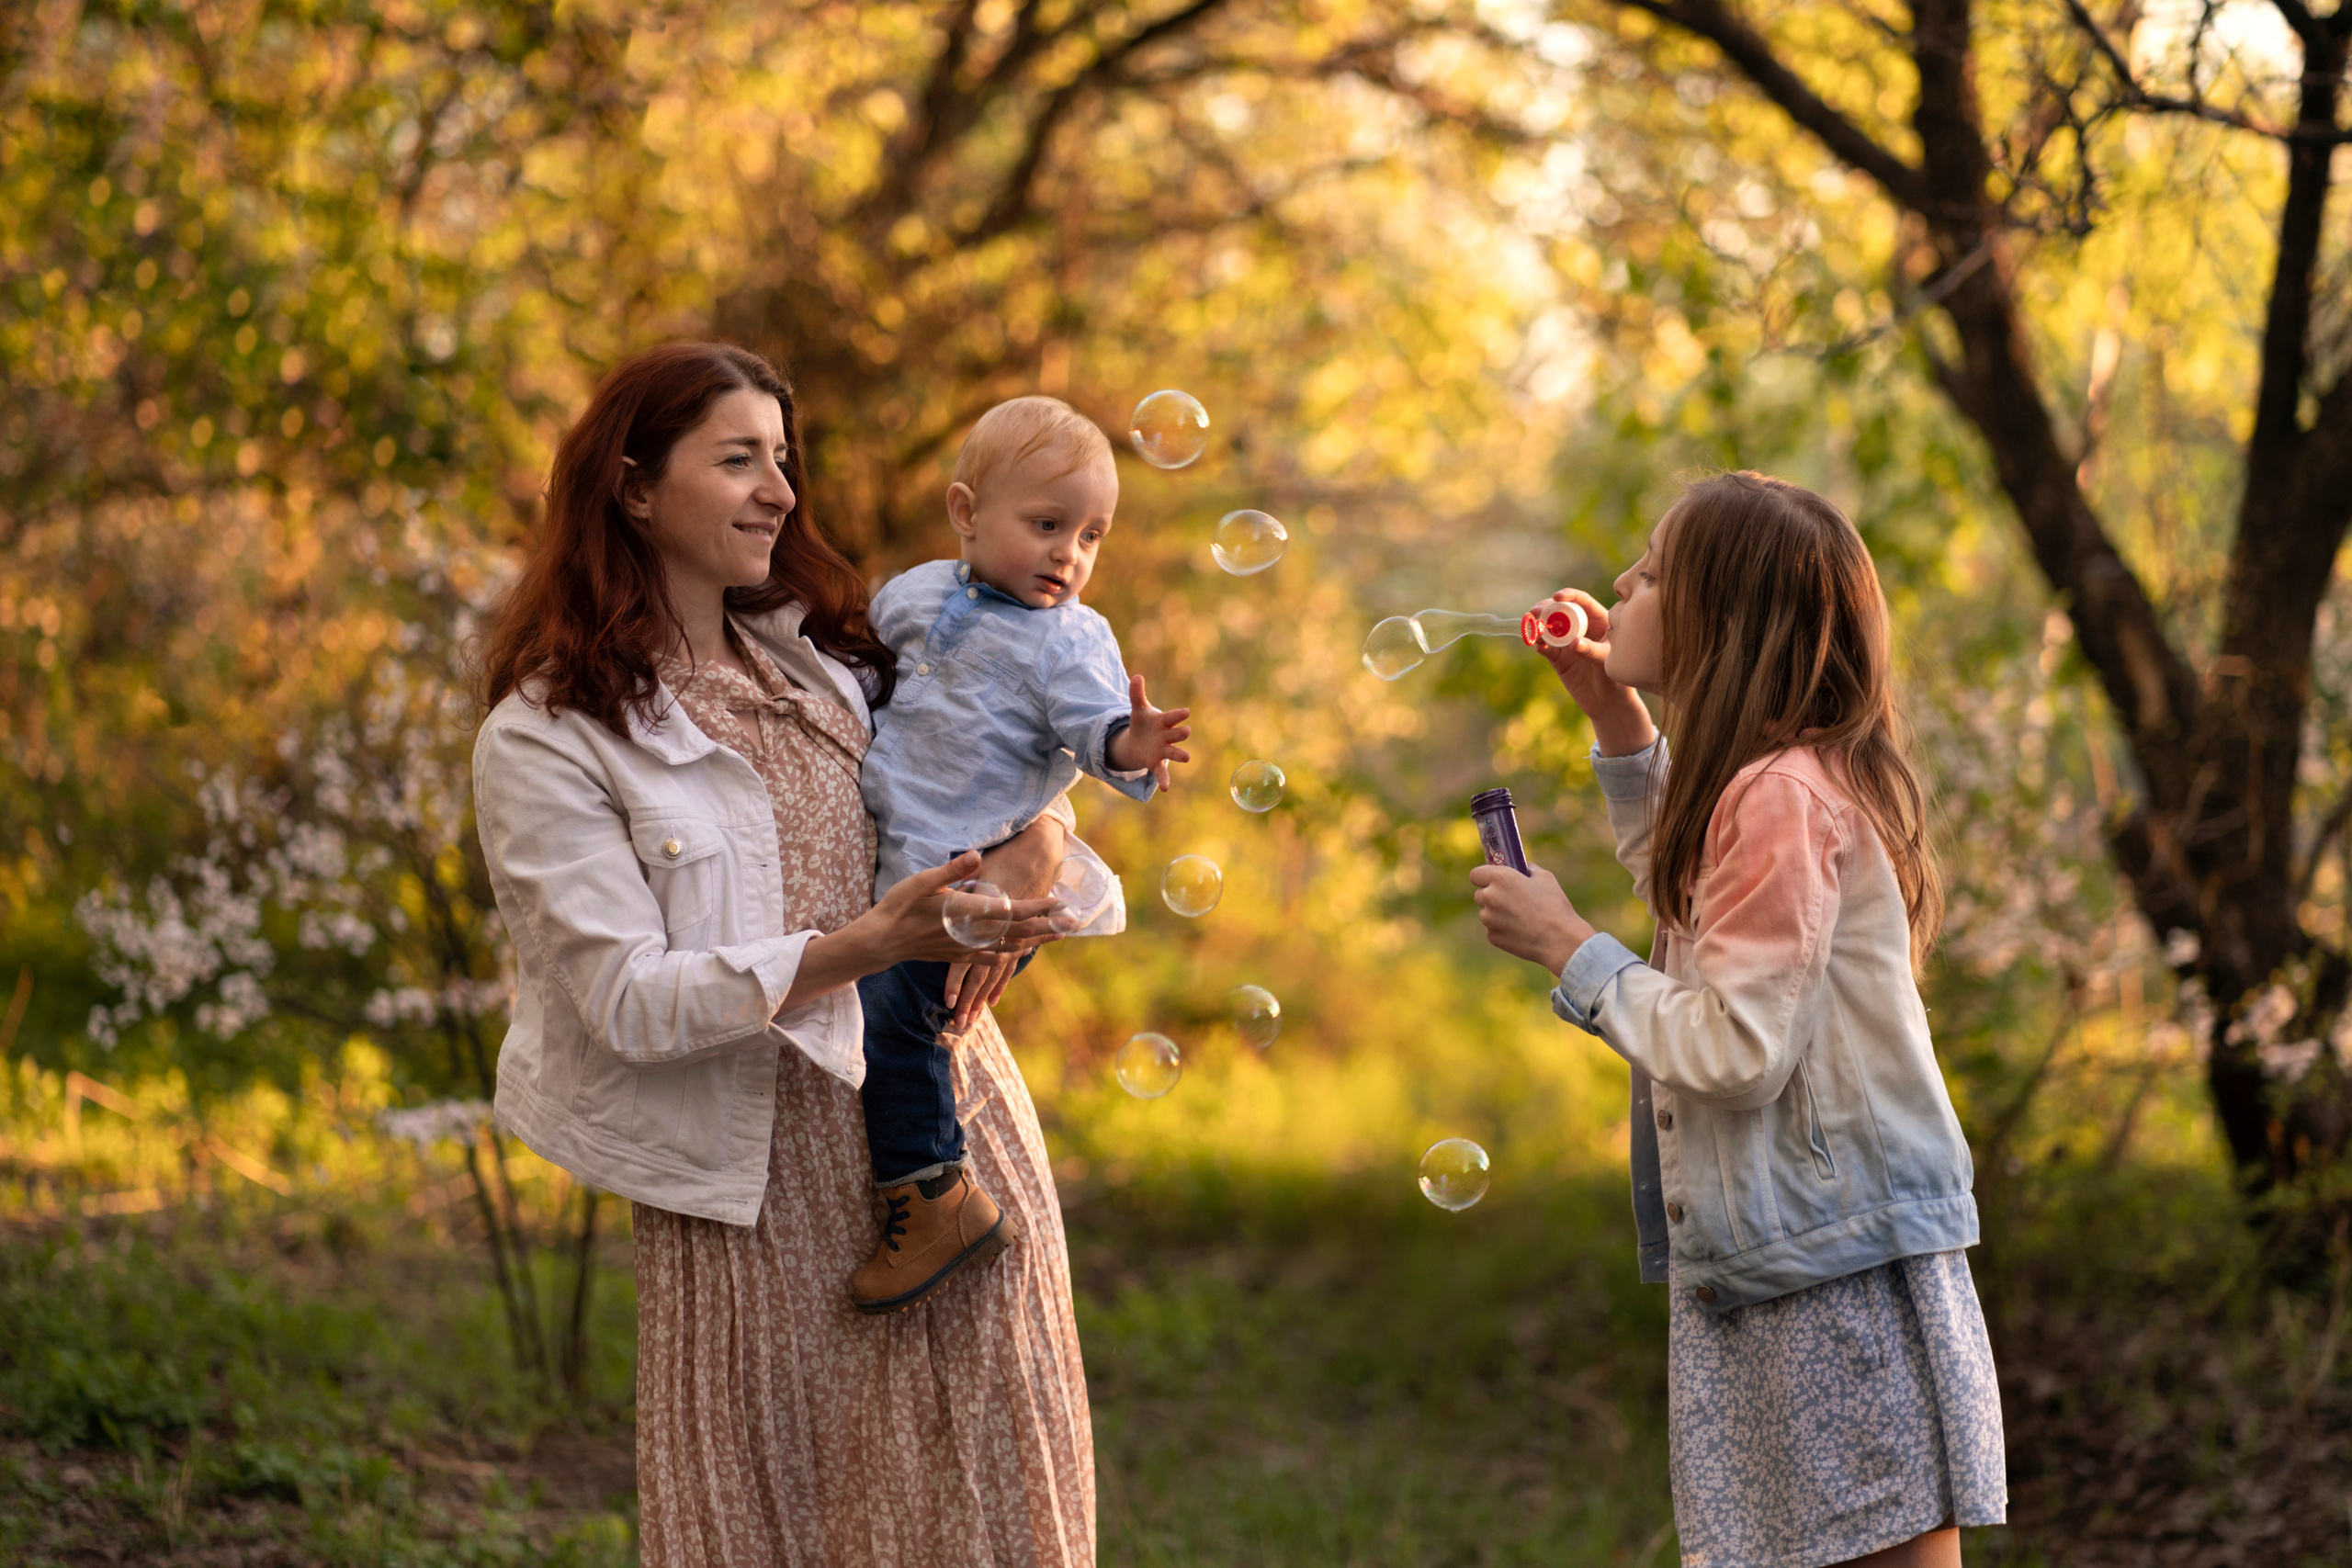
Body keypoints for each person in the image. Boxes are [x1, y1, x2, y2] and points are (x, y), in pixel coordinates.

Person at [472, 341, 1096, 1566]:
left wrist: (1040, 842)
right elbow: (623, 1000)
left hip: (943, 1152)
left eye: (783, 458)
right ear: (636, 488)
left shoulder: (830, 661)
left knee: (988, 1517)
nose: (779, 489)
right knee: (788, 1523)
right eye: (739, 458)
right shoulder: (550, 735)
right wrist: (865, 943)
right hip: (754, 1187)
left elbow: (999, 769)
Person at [1468, 471, 2006, 1568]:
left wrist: (1572, 949)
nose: (1621, 583)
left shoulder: (1776, 797)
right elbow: (1689, 885)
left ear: (1725, 626)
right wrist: (1611, 709)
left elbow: (1736, 1048)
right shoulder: (1776, 786)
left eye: (1654, 570)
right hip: (1815, 1251)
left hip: (1827, 1272)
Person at [851, 395, 1191, 1314]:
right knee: (877, 1003)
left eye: (1090, 536)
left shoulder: (1071, 638)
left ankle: (932, 1194)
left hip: (981, 879)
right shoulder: (913, 594)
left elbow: (1095, 734)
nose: (1068, 556)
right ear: (966, 512)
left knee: (894, 1014)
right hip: (902, 863)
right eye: (1046, 526)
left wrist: (1135, 744)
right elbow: (856, 682)